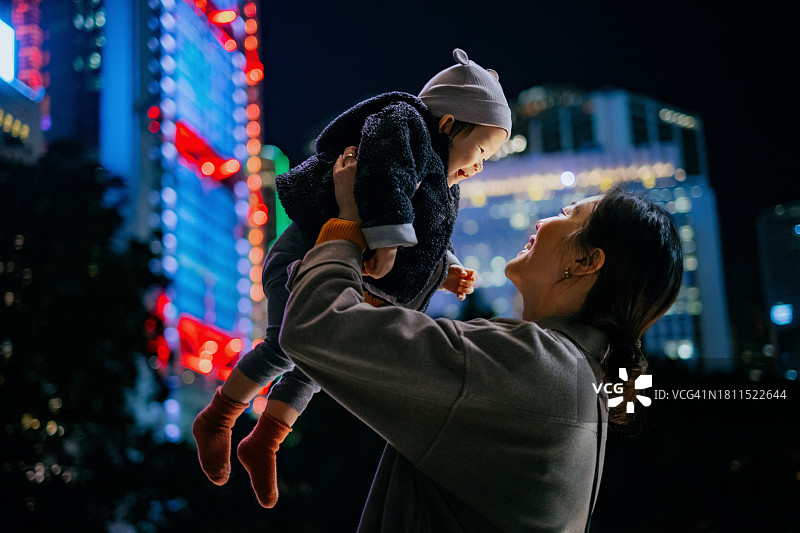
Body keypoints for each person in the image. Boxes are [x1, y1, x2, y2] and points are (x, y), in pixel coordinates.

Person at [276, 154, 684, 531]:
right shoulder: (579, 380)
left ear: (585, 262)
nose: (543, 222)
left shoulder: (530, 367)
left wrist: (346, 221)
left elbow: (317, 325)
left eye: (566, 214)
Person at [192, 49, 511, 508]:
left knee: (320, 362)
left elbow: (428, 238)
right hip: (303, 256)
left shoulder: (442, 185)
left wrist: (446, 269)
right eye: (481, 150)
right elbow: (385, 178)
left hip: (340, 269)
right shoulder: (405, 125)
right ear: (448, 125)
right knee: (286, 344)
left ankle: (265, 440)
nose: (480, 165)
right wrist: (384, 241)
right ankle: (219, 418)